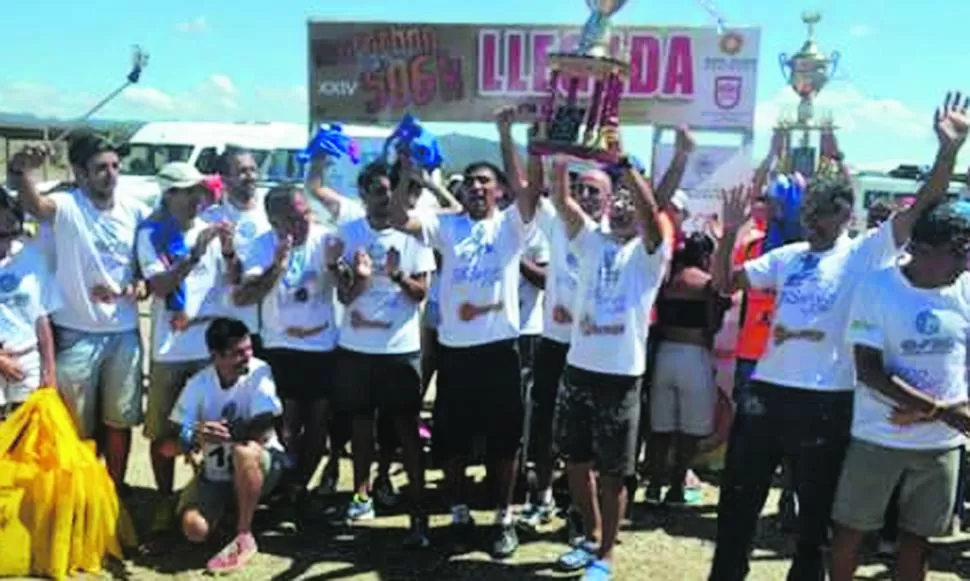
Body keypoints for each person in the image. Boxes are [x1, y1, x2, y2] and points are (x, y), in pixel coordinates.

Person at [707, 92, 966, 581]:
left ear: (845, 214)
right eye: (807, 211)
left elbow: (925, 202)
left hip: (826, 402)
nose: (810, 220)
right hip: (766, 393)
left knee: (814, 522)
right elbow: (725, 284)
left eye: (821, 212)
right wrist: (728, 237)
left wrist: (948, 152)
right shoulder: (788, 256)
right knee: (739, 503)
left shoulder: (866, 253)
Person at [389, 153, 540, 558]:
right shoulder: (448, 225)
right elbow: (399, 218)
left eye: (485, 181)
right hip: (456, 354)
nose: (476, 186)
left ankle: (503, 520)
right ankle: (459, 515)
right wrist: (407, 175)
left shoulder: (510, 226)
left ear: (500, 191)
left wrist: (513, 139)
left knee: (503, 443)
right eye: (471, 180)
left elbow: (531, 192)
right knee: (453, 442)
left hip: (500, 353)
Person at [831, 199, 970, 581]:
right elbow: (870, 370)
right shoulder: (877, 288)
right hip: (879, 436)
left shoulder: (965, 289)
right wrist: (941, 411)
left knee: (918, 539)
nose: (965, 263)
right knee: (852, 532)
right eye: (957, 254)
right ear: (922, 249)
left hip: (941, 444)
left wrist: (943, 413)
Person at [549, 148, 669, 581]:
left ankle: (606, 554)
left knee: (614, 473)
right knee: (576, 462)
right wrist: (559, 158)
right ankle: (590, 534)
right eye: (614, 204)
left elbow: (654, 219)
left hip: (620, 379)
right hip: (578, 369)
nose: (619, 211)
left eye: (627, 205)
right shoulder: (591, 240)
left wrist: (627, 171)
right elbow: (563, 203)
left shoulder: (648, 255)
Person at [7, 134, 149, 491]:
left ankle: (114, 493)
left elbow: (146, 262)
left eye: (115, 166)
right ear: (81, 174)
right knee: (76, 426)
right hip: (75, 334)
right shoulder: (67, 205)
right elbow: (35, 204)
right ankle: (80, 492)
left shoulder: (135, 210)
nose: (110, 174)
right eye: (100, 168)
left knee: (119, 422)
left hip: (125, 334)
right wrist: (23, 169)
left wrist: (140, 284)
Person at [331, 159, 436, 547]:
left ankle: (418, 505)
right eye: (376, 191)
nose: (383, 199)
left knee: (407, 428)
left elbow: (421, 293)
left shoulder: (414, 236)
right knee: (361, 423)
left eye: (389, 191)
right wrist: (357, 280)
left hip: (399, 349)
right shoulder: (349, 233)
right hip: (356, 346)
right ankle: (362, 495)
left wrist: (395, 276)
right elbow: (343, 294)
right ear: (362, 195)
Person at [136, 162, 236, 533]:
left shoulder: (210, 228)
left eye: (198, 189)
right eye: (188, 191)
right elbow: (160, 286)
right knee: (163, 433)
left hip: (207, 349)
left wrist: (226, 251)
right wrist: (193, 255)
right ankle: (164, 499)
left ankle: (201, 499)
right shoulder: (152, 233)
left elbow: (233, 281)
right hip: (169, 352)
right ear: (169, 194)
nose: (197, 197)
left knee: (210, 431)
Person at [233, 183, 340, 530]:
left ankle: (301, 487)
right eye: (293, 218)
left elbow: (349, 282)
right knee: (288, 423)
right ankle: (285, 490)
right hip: (280, 346)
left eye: (305, 213)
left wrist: (341, 267)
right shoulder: (261, 245)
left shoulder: (326, 239)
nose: (303, 222)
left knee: (320, 420)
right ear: (274, 221)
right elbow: (246, 296)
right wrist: (277, 266)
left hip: (323, 345)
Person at [170, 317, 285, 574]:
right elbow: (179, 432)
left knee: (244, 451)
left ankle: (243, 534)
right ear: (216, 355)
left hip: (261, 466)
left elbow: (265, 424)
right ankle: (225, 513)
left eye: (249, 349)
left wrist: (228, 435)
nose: (247, 357)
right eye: (238, 353)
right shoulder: (199, 383)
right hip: (215, 476)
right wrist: (197, 433)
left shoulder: (260, 371)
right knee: (194, 530)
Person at [646, 232, 730, 506]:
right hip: (694, 357)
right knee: (689, 432)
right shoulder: (706, 284)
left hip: (664, 356)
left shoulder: (667, 280)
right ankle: (675, 488)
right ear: (706, 256)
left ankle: (654, 487)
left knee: (660, 429)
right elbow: (712, 326)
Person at [201, 149, 272, 354]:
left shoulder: (270, 211)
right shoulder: (211, 218)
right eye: (242, 171)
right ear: (224, 178)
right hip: (230, 321)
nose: (250, 176)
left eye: (253, 170)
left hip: (271, 324)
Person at [0, 186, 60, 419]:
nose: (5, 243)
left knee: (26, 440)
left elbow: (41, 318)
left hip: (28, 361)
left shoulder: (31, 258)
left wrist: (49, 372)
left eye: (10, 233)